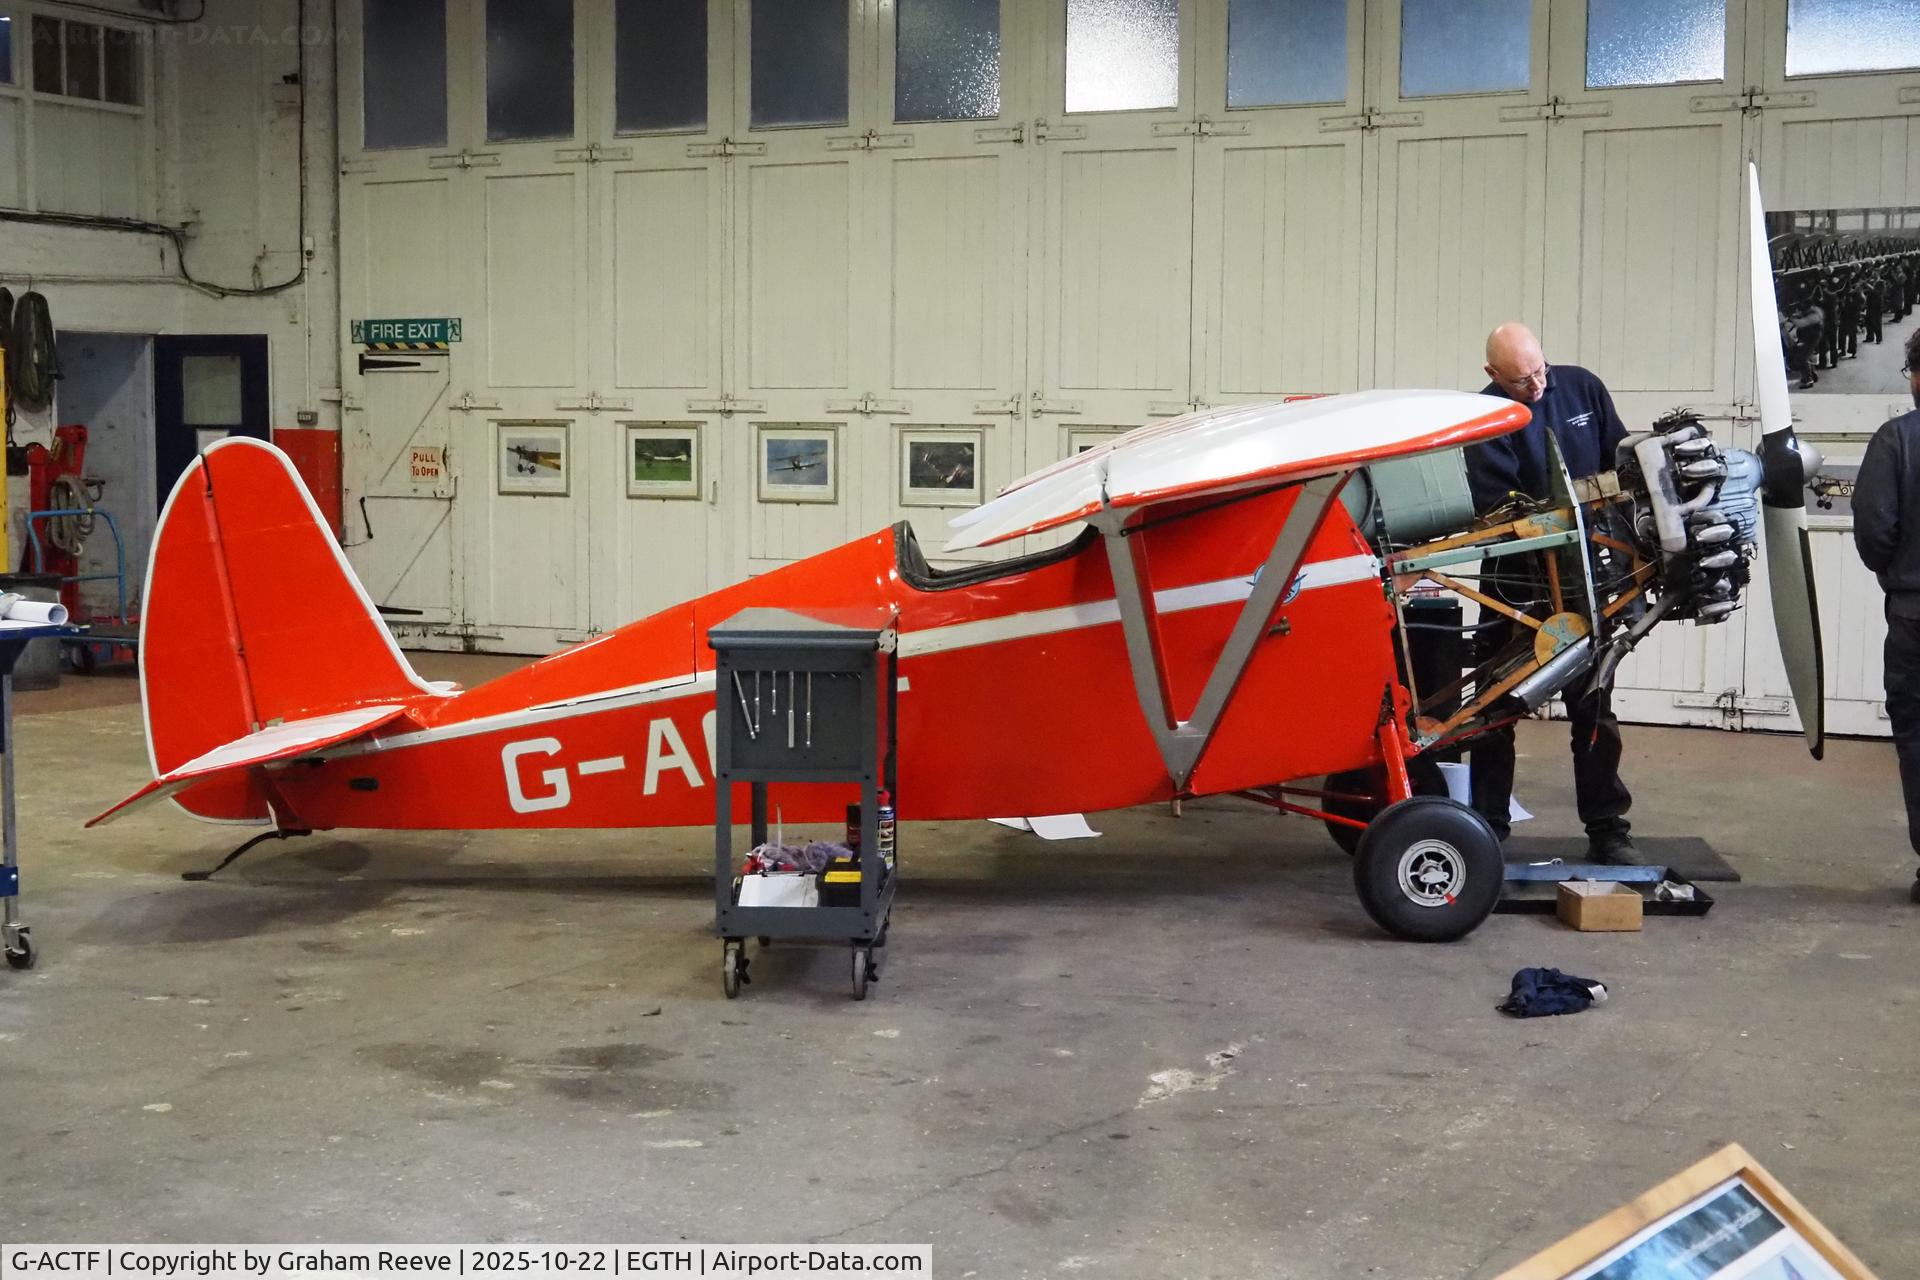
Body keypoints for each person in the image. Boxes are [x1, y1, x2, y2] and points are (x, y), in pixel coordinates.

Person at [1462, 323, 1636, 860]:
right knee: (1496, 707)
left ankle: (1608, 831)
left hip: (1588, 576)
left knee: (1595, 706)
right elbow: (1500, 509)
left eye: (1539, 372)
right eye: (1520, 381)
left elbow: (1621, 464)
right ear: (1493, 376)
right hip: (1514, 582)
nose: (1536, 387)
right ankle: (1488, 833)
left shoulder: (1583, 387)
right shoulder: (1485, 418)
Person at [1849, 327, 1920, 903]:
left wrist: (1898, 579)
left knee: (1919, 737)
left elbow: (1876, 529)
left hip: (1916, 613)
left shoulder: (1897, 440)